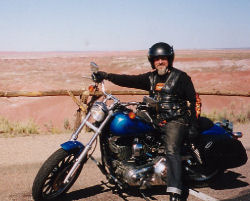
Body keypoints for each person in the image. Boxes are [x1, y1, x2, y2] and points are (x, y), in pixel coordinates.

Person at [93, 42, 199, 201]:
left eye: (163, 58)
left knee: (171, 149)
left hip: (175, 120)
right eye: (157, 59)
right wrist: (107, 76)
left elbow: (194, 101)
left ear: (169, 59)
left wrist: (193, 124)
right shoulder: (151, 78)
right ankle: (131, 163)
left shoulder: (181, 77)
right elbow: (128, 80)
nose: (160, 62)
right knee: (127, 123)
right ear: (152, 61)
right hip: (155, 118)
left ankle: (175, 191)